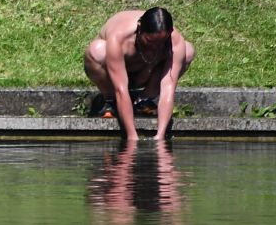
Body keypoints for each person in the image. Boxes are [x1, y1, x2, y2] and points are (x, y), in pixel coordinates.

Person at [83, 7, 193, 145]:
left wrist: (160, 136)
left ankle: (145, 99)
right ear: (139, 29)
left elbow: (168, 89)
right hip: (113, 75)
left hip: (147, 72)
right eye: (149, 41)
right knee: (97, 50)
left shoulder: (175, 40)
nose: (155, 48)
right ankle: (110, 101)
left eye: (161, 43)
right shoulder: (119, 37)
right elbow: (121, 90)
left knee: (187, 51)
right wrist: (131, 137)